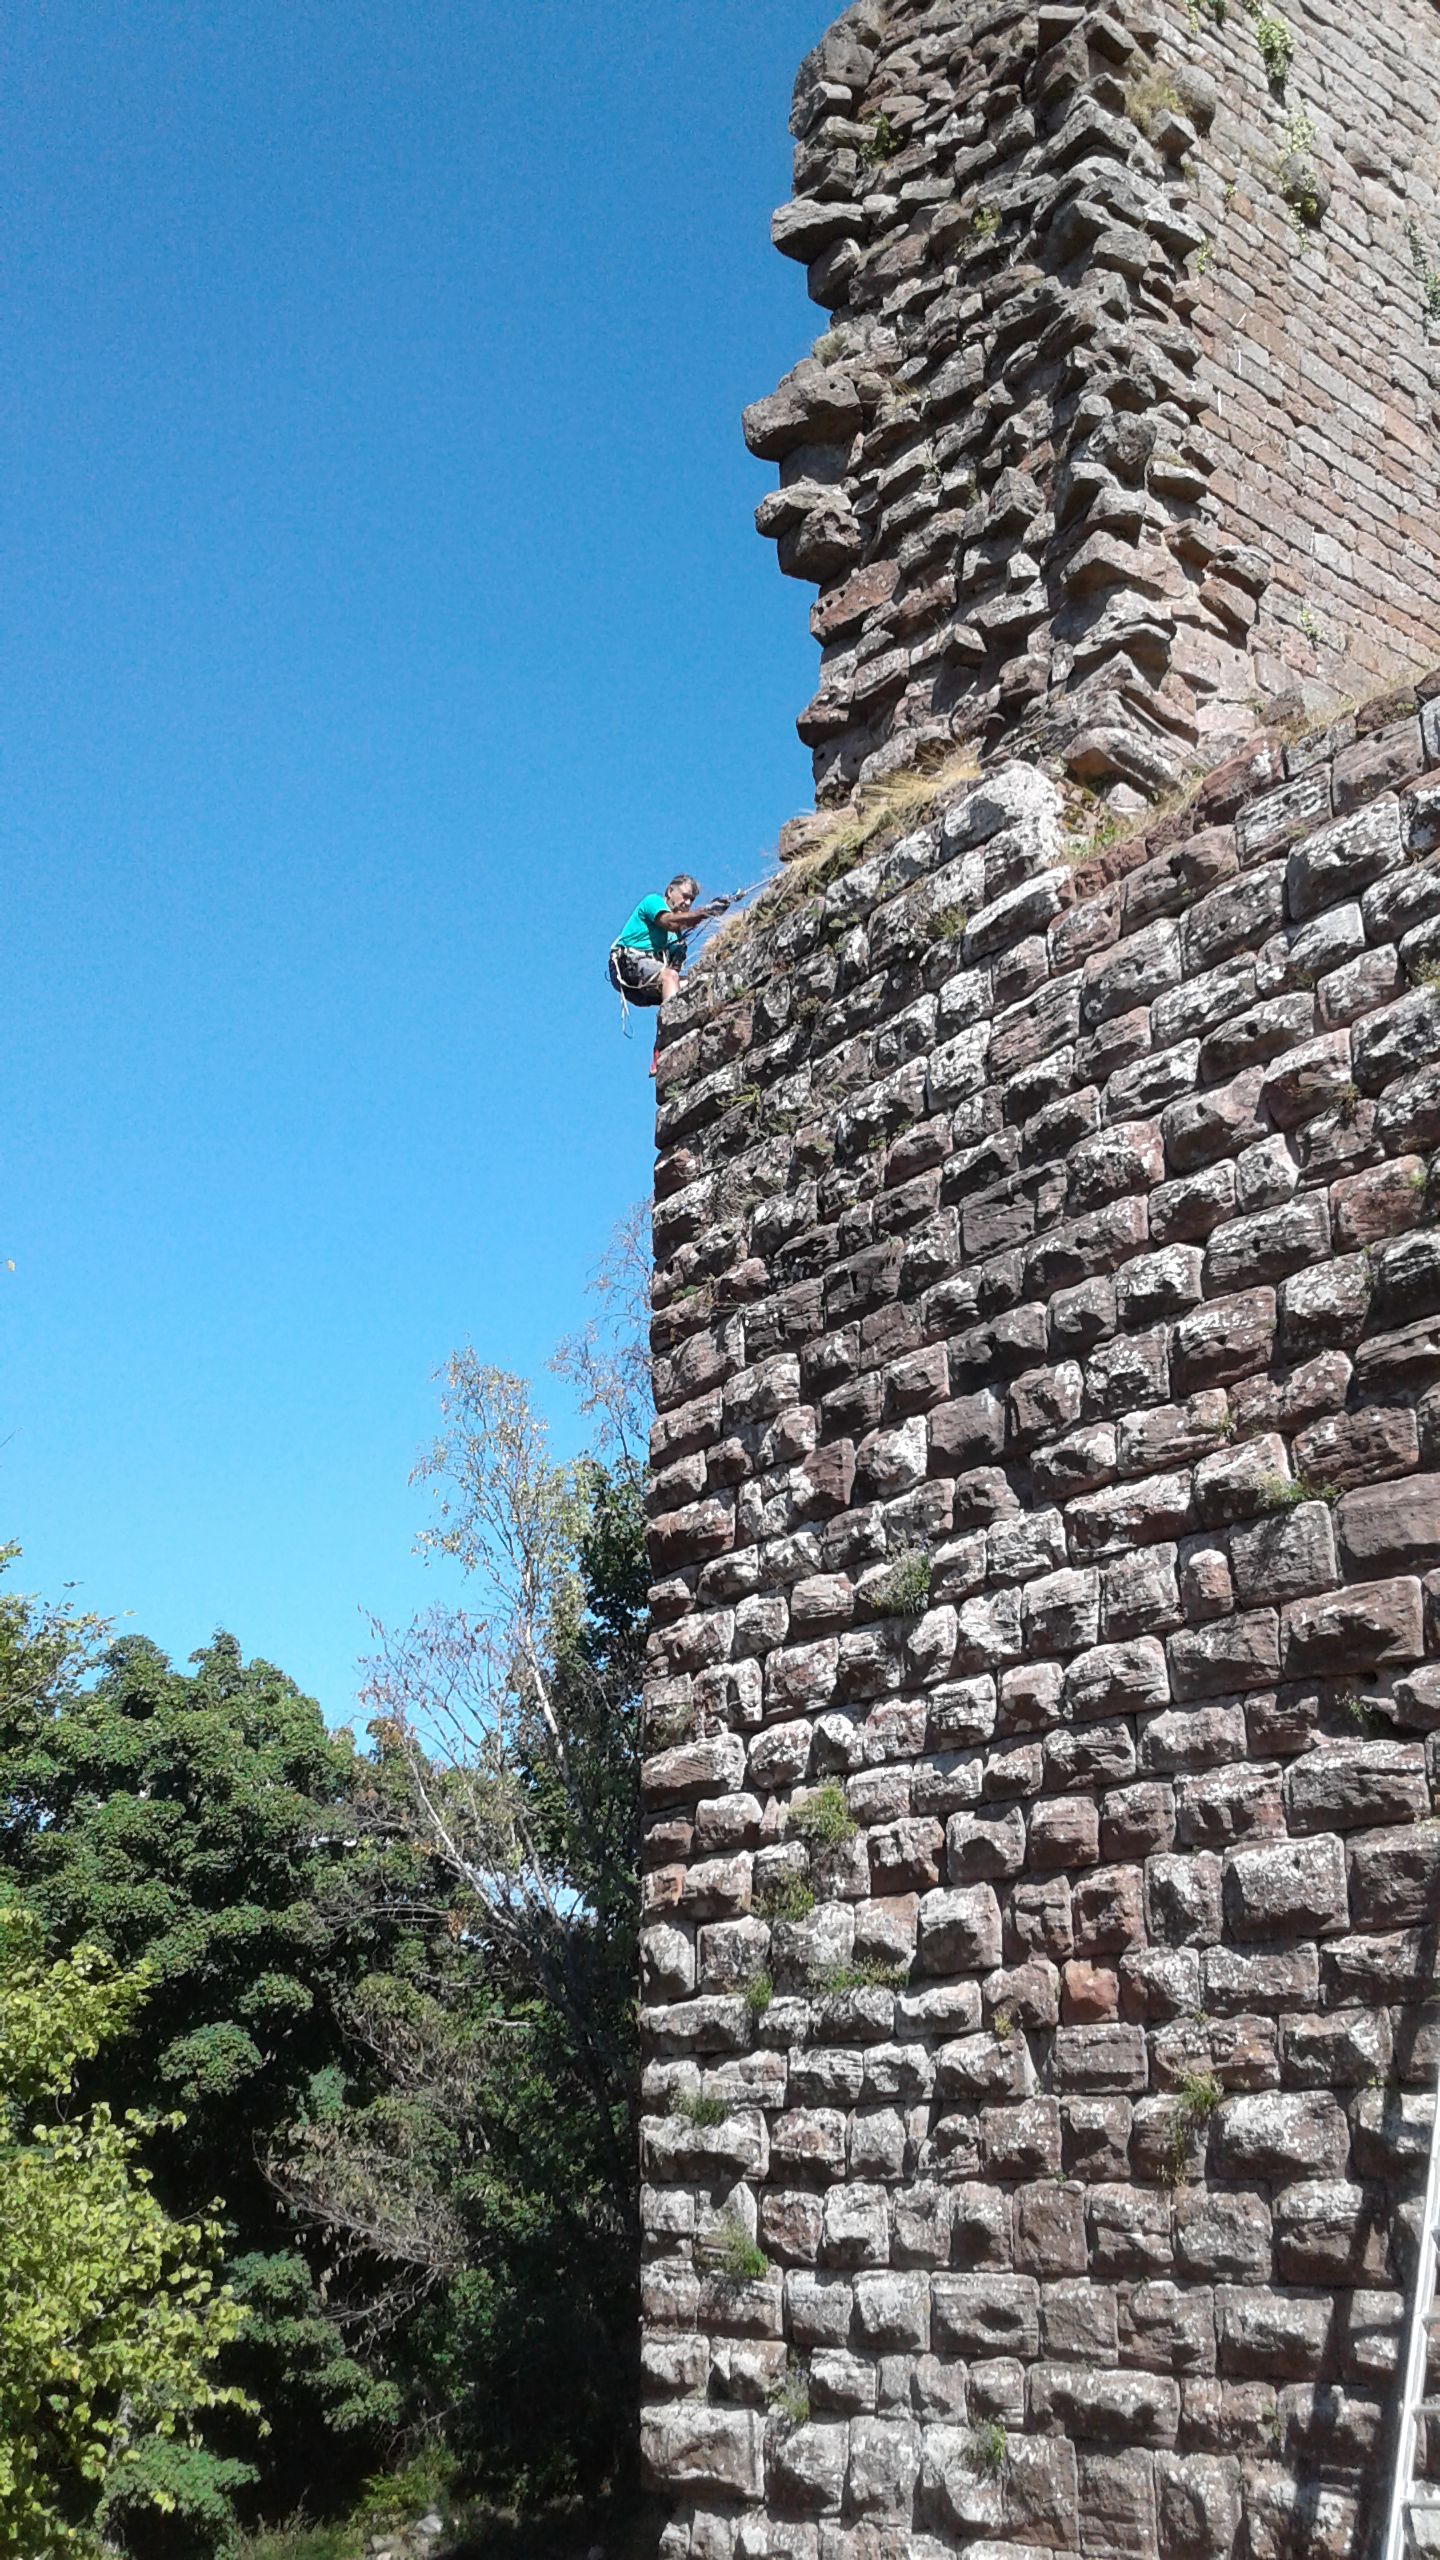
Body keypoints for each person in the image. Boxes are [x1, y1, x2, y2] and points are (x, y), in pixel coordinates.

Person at [608, 874, 729, 1072]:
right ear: (670, 891)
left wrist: (680, 951)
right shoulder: (653, 902)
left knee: (693, 985)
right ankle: (670, 1034)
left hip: (643, 980)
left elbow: (676, 965)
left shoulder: (676, 937)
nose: (687, 903)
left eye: (691, 900)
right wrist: (704, 912)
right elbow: (668, 921)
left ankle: (662, 1047)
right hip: (627, 964)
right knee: (669, 976)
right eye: (685, 896)